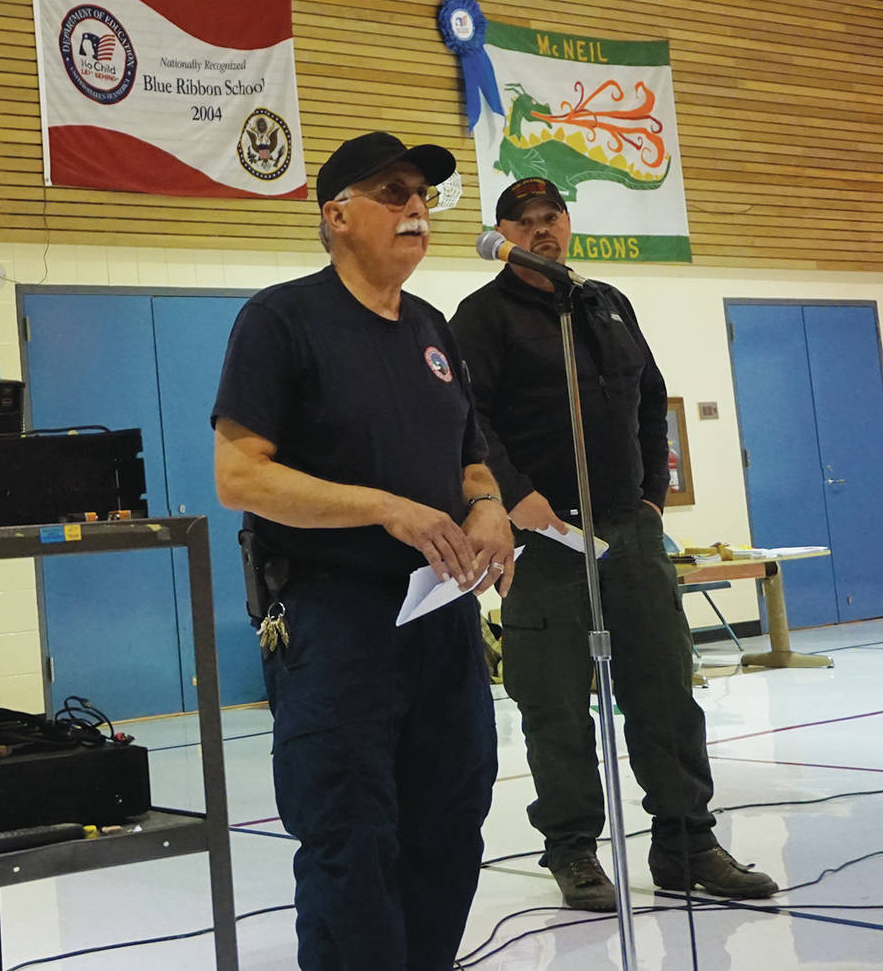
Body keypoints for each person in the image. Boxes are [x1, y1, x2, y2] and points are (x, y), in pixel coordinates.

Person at [213, 131, 515, 971]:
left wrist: (486, 505)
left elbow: (470, 454)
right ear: (337, 215)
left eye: (422, 194)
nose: (416, 207)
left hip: (440, 615)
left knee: (451, 816)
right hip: (331, 619)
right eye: (393, 192)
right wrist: (382, 507)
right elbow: (239, 476)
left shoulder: (432, 328)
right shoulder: (280, 320)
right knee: (352, 832)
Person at [451, 177, 778, 911]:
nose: (541, 231)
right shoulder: (481, 317)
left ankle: (686, 841)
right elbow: (467, 422)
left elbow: (648, 404)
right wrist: (513, 493)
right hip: (544, 538)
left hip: (628, 534)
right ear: (502, 234)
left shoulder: (606, 304)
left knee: (666, 688)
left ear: (567, 224)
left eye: (551, 218)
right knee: (556, 705)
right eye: (524, 221)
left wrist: (651, 501)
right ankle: (572, 848)